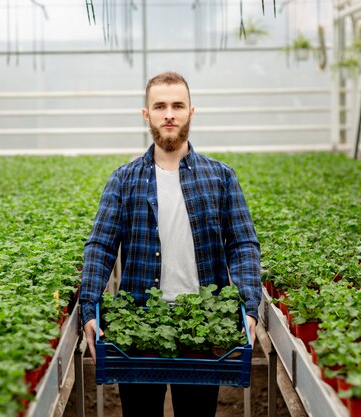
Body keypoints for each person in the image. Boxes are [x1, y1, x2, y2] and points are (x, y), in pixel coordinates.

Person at [79, 71, 261, 417]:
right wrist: (90, 307)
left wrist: (249, 306)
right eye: (160, 106)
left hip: (204, 325)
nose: (169, 114)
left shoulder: (220, 176)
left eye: (178, 105)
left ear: (191, 111)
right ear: (146, 114)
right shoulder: (124, 179)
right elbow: (101, 246)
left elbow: (242, 243)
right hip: (138, 324)